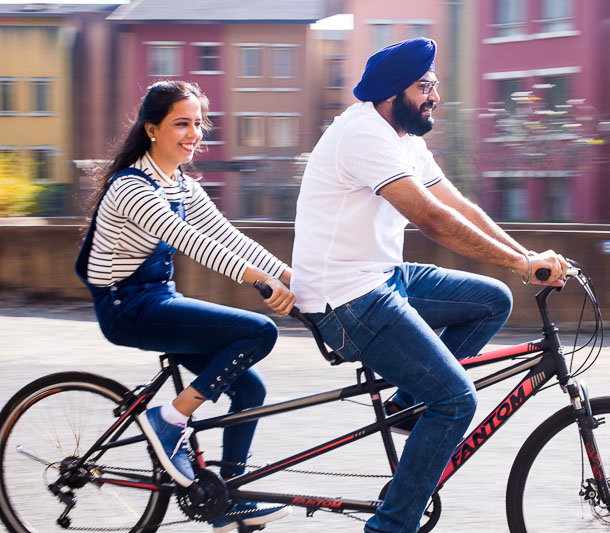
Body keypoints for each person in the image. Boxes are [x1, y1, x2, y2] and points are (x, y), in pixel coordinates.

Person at [291, 38, 569, 533]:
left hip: (381, 279)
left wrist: (524, 259)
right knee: (457, 400)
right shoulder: (363, 133)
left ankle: (407, 407)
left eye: (435, 84)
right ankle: (391, 525)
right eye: (425, 86)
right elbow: (431, 220)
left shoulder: (405, 139)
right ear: (392, 92)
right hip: (345, 298)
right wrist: (521, 264)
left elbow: (457, 205)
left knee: (491, 300)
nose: (434, 95)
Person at [75, 81, 293, 532]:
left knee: (250, 391)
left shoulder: (181, 184)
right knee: (259, 332)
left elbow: (229, 237)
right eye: (182, 123)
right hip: (126, 308)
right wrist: (263, 284)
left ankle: (230, 496)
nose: (194, 132)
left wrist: (295, 278)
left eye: (198, 123)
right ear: (151, 129)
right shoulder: (130, 187)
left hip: (160, 299)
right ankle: (169, 419)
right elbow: (191, 243)